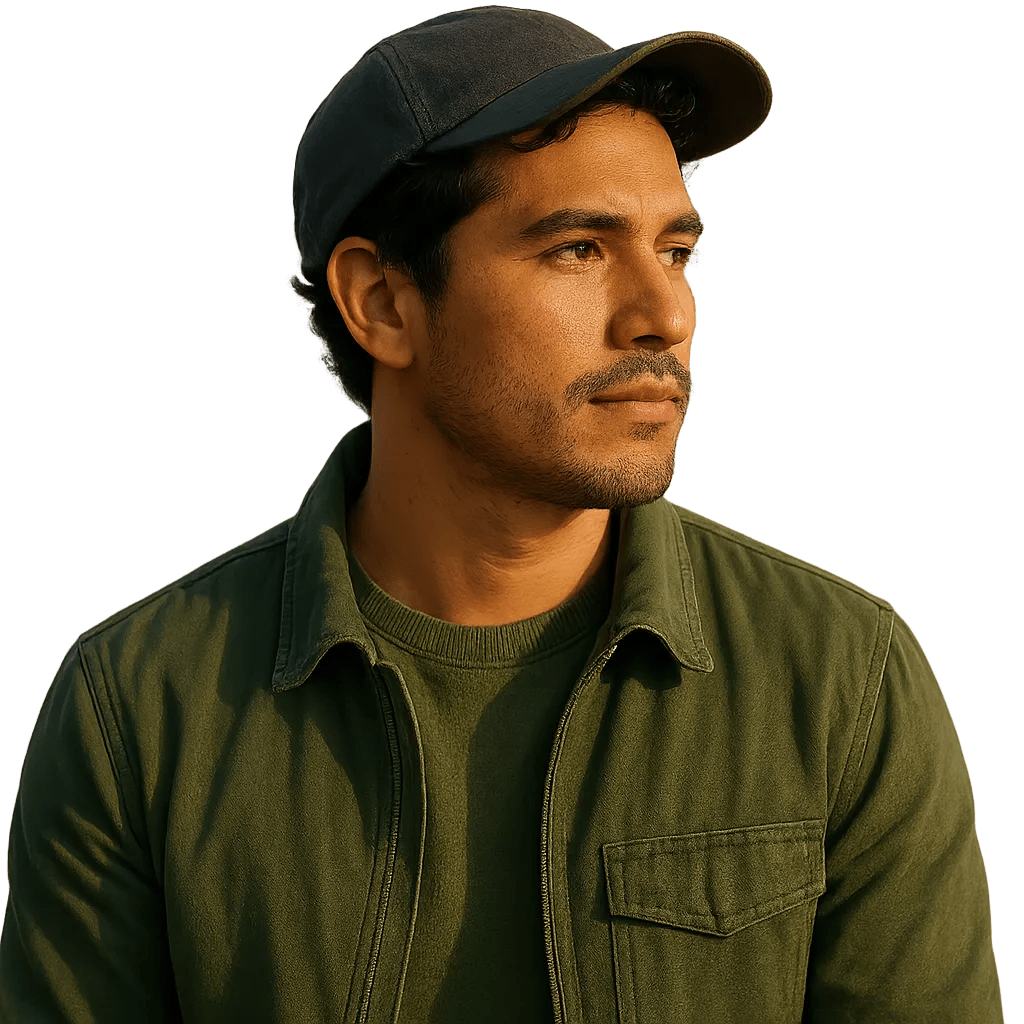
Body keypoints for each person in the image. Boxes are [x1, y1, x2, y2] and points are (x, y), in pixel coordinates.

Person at [0, 6, 1004, 1022]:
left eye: (675, 250)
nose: (664, 315)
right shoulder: (142, 706)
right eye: (577, 248)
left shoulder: (839, 678)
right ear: (381, 302)